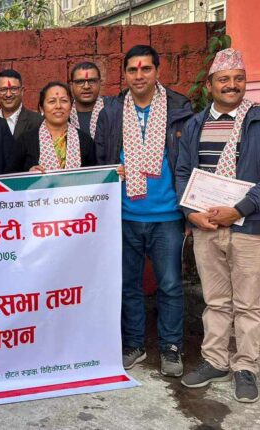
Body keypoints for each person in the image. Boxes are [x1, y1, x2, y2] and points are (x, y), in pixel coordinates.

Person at [176, 48, 260, 402]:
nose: (232, 85)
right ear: (210, 85)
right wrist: (190, 213)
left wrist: (238, 209)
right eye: (224, 79)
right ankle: (215, 361)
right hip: (206, 226)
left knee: (248, 303)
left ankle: (246, 367)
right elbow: (183, 173)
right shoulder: (195, 125)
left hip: (247, 227)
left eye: (239, 78)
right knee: (215, 300)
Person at [95, 45, 194, 377]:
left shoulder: (179, 107)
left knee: (170, 285)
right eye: (132, 70)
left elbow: (189, 159)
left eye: (146, 69)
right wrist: (111, 172)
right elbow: (101, 159)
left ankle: (171, 347)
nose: (139, 76)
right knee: (128, 285)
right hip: (124, 214)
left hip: (167, 214)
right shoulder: (111, 111)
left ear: (157, 71)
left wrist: (189, 210)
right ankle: (134, 344)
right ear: (124, 74)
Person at [15, 82, 96, 173]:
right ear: (42, 108)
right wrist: (28, 175)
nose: (58, 106)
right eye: (52, 101)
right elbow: (10, 176)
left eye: (64, 101)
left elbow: (95, 176)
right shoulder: (26, 140)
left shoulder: (85, 141)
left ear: (71, 106)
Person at [0, 69, 43, 140]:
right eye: (3, 89)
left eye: (14, 89)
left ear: (22, 91)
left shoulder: (38, 121)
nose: (8, 94)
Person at [69, 61, 110, 140]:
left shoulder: (114, 112)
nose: (86, 86)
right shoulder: (63, 115)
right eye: (80, 82)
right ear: (71, 85)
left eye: (92, 81)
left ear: (100, 83)